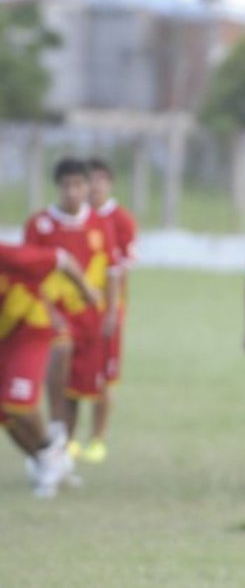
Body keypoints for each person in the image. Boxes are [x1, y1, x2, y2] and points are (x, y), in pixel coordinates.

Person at [24, 158, 121, 463]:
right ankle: (50, 445)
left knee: (79, 389)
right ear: (58, 187)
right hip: (51, 317)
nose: (73, 192)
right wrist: (46, 310)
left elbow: (113, 270)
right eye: (67, 185)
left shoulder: (99, 224)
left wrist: (111, 311)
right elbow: (27, 274)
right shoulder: (39, 225)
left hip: (89, 319)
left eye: (79, 185)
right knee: (56, 382)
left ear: (86, 186)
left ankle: (62, 449)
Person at [0, 242, 97, 497]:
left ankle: (50, 452)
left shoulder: (11, 256)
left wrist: (86, 290)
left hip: (29, 330)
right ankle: (48, 459)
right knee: (4, 413)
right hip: (4, 337)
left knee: (17, 403)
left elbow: (62, 258)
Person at [85, 157, 137, 463]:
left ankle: (97, 439)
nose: (95, 185)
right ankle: (65, 439)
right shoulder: (76, 219)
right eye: (90, 179)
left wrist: (113, 309)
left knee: (105, 377)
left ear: (110, 183)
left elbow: (122, 270)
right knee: (68, 376)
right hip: (75, 311)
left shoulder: (121, 220)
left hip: (108, 311)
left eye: (101, 179)